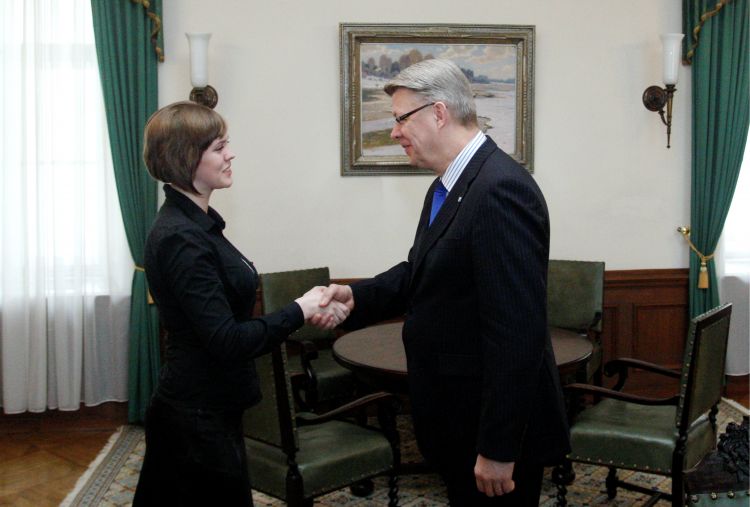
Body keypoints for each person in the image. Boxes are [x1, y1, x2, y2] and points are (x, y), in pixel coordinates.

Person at [313, 59, 570, 506]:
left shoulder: (500, 190)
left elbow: (517, 333)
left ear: (438, 113)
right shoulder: (451, 185)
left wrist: (498, 447)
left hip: (487, 428)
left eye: (400, 119)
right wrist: (355, 296)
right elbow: (422, 271)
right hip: (457, 416)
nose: (394, 132)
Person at [132, 101, 348, 506]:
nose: (230, 154)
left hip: (210, 408)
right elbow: (227, 340)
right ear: (185, 156)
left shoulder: (197, 225)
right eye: (219, 147)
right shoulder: (181, 236)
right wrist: (299, 310)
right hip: (196, 418)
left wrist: (307, 306)